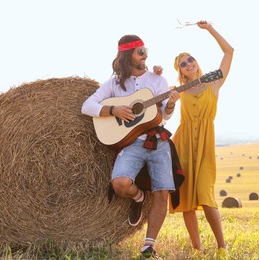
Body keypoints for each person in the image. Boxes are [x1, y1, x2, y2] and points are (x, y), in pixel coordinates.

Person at [81, 34, 180, 259]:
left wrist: (171, 103)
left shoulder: (157, 81)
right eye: (140, 52)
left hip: (158, 142)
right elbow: (87, 106)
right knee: (120, 184)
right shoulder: (114, 83)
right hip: (131, 143)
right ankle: (138, 198)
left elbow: (163, 114)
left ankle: (149, 246)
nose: (145, 55)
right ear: (128, 56)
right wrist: (112, 110)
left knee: (162, 192)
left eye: (146, 50)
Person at [170, 21, 234, 259]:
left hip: (205, 144)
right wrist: (168, 97)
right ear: (181, 72)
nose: (188, 64)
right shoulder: (179, 90)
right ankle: (197, 249)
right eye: (183, 64)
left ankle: (222, 248)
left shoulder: (214, 83)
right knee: (186, 199)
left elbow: (229, 52)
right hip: (183, 144)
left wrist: (210, 30)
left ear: (196, 63)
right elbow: (160, 98)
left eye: (190, 59)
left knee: (206, 196)